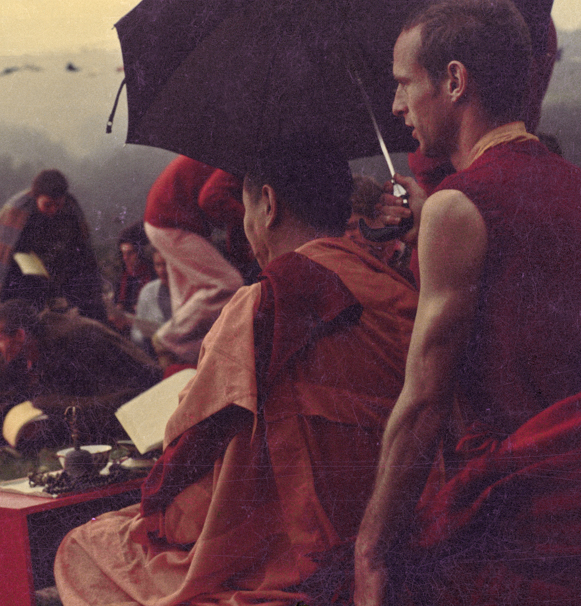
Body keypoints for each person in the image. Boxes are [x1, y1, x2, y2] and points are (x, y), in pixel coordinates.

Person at [353, 0, 581, 606]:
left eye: (405, 83)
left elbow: (424, 401)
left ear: (454, 81)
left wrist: (370, 551)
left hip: (535, 528)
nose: (397, 103)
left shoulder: (460, 206)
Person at [54, 142, 418, 606]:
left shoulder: (263, 305)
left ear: (267, 204)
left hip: (296, 552)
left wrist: (160, 518)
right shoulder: (399, 293)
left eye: (245, 211)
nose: (243, 231)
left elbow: (183, 470)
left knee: (84, 547)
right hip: (393, 529)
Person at [0, 298, 162, 451]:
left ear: (20, 336)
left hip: (134, 394)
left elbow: (116, 391)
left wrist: (51, 405)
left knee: (42, 406)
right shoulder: (22, 347)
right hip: (84, 402)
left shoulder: (74, 340)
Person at [143, 156, 250, 366]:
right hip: (170, 220)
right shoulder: (242, 158)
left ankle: (178, 361)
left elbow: (226, 205)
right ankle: (167, 339)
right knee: (228, 284)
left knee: (189, 301)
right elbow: (211, 197)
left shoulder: (234, 153)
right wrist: (249, 220)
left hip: (165, 218)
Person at [0, 169, 107, 321]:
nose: (53, 210)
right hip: (22, 278)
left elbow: (83, 252)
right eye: (47, 205)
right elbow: (1, 255)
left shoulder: (71, 209)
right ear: (36, 198)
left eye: (58, 204)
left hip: (61, 273)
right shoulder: (18, 209)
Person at [129, 247, 172, 354]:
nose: (162, 270)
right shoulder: (148, 291)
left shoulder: (188, 291)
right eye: (158, 265)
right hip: (154, 353)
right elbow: (136, 331)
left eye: (166, 264)